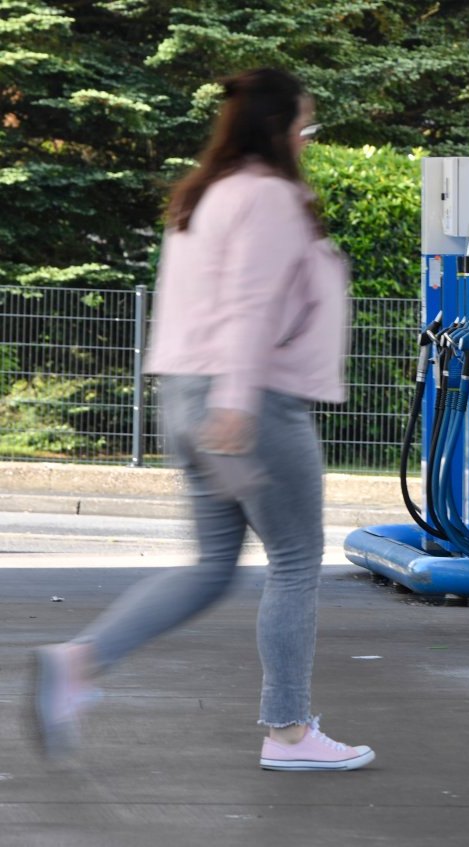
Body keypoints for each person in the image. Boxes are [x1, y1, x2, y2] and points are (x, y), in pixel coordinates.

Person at [30, 68, 374, 772]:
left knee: (214, 565)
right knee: (298, 561)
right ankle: (288, 730)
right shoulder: (271, 198)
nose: (309, 140)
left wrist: (212, 404)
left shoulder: (202, 195)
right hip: (250, 404)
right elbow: (249, 307)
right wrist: (238, 405)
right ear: (278, 130)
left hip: (185, 396)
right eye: (307, 127)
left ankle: (76, 663)